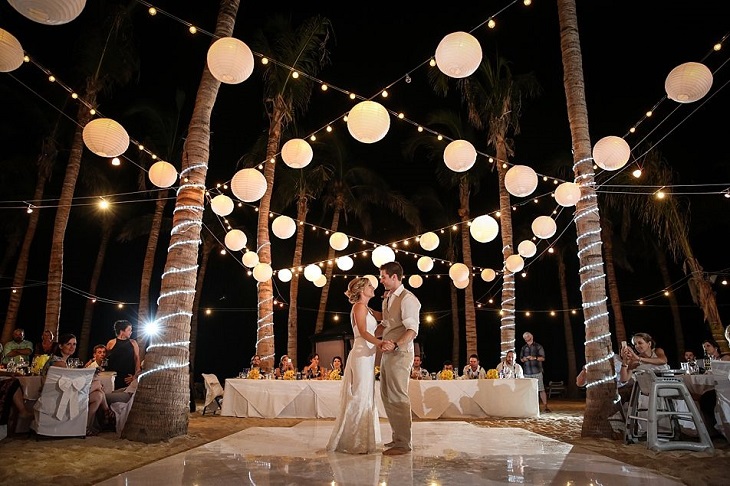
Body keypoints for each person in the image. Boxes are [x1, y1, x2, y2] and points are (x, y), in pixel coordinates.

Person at [327, 277, 384, 454]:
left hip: (369, 353)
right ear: (361, 290)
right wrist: (380, 344)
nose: (373, 287)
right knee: (359, 393)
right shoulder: (358, 307)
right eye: (369, 285)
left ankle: (365, 440)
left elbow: (377, 329)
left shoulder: (369, 309)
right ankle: (353, 441)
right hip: (360, 352)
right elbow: (364, 332)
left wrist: (388, 325)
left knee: (367, 393)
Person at [378, 261, 421, 456]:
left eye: (383, 276)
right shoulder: (388, 298)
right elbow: (387, 324)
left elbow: (412, 330)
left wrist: (396, 344)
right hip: (388, 353)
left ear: (394, 277)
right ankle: (397, 438)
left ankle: (404, 444)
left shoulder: (408, 299)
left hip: (401, 353)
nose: (381, 280)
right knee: (387, 395)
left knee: (398, 395)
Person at [43, 333, 114, 435]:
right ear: (60, 346)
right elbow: (69, 383)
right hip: (59, 396)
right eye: (68, 344)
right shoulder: (59, 363)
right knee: (98, 384)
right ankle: (107, 411)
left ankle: (85, 427)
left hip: (64, 393)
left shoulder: (60, 360)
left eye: (74, 344)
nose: (72, 347)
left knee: (98, 396)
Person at [106, 320, 141, 390]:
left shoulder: (133, 343)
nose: (131, 332)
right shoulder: (111, 343)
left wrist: (135, 376)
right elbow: (105, 358)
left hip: (128, 378)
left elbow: (137, 359)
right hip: (113, 377)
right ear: (122, 331)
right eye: (129, 330)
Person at [520, 331, 550, 413]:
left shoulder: (538, 346)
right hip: (527, 372)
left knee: (541, 389)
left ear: (531, 337)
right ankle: (528, 407)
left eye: (527, 336)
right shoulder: (523, 348)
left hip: (537, 371)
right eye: (525, 337)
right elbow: (521, 359)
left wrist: (534, 358)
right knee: (527, 390)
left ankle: (545, 406)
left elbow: (543, 358)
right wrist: (524, 359)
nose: (526, 338)